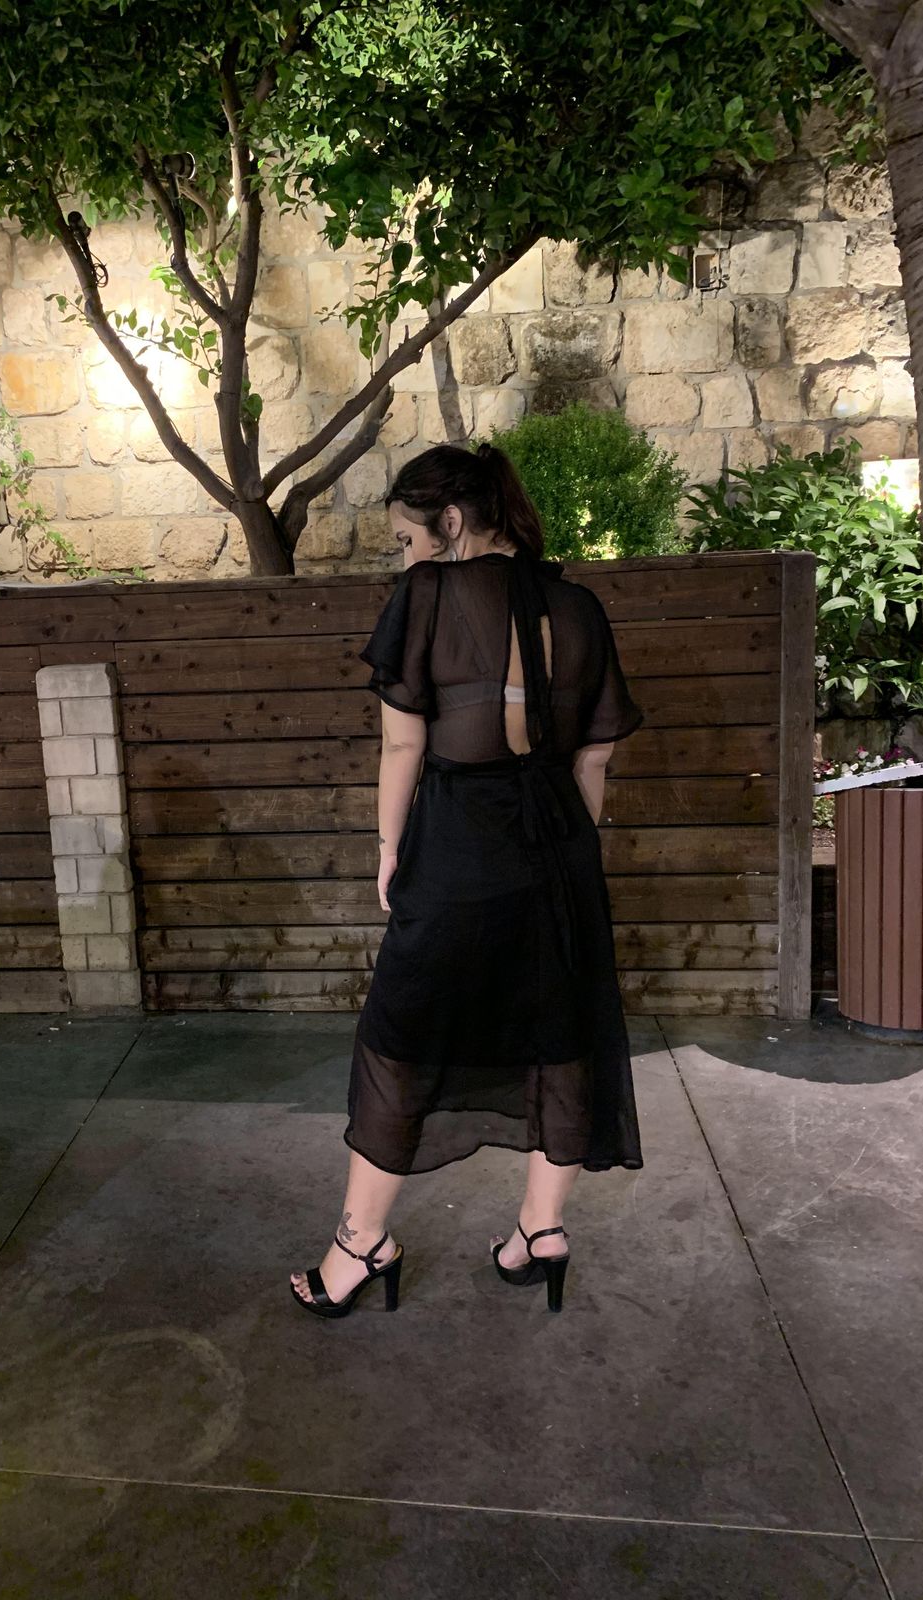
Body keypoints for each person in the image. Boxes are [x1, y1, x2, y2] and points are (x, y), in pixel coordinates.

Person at [289, 442, 645, 1318]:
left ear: (450, 522)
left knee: (399, 1035)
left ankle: (360, 1247)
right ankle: (540, 1234)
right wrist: (562, 849)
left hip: (456, 844)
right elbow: (594, 757)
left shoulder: (428, 596)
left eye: (408, 538)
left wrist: (388, 847)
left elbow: (403, 742)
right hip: (559, 850)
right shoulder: (578, 606)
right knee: (561, 1034)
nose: (407, 555)